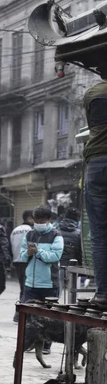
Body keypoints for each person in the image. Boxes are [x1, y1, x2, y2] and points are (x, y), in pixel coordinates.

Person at [83, 79, 107, 307]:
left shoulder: (93, 92)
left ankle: (102, 294)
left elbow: (92, 125)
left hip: (97, 163)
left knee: (99, 234)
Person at [19, 207, 64, 303]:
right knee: (29, 314)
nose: (39, 223)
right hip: (30, 284)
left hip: (49, 284)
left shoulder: (56, 235)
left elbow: (55, 256)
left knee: (49, 315)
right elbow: (22, 257)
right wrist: (28, 253)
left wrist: (38, 252)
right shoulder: (29, 234)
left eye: (42, 221)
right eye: (36, 221)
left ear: (49, 220)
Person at [10, 210, 34, 321]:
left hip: (17, 261)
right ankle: (19, 315)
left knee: (22, 288)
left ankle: (20, 313)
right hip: (27, 260)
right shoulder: (31, 231)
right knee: (27, 288)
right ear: (29, 218)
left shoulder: (15, 230)